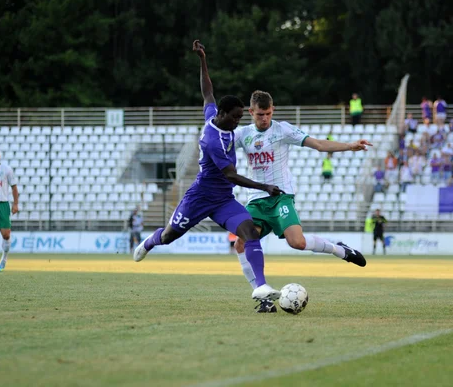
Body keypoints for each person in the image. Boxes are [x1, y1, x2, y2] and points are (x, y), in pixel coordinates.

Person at [134, 40, 284, 307]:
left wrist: (202, 59)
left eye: (240, 117)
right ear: (225, 114)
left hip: (223, 200)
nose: (239, 122)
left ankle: (261, 287)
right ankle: (149, 241)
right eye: (236, 117)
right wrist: (265, 187)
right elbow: (232, 175)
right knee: (169, 236)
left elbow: (207, 93)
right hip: (201, 196)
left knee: (250, 231)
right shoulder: (213, 141)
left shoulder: (214, 116)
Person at [233, 89, 370, 309]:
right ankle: (263, 297)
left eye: (268, 113)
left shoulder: (282, 130)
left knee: (297, 242)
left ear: (273, 110)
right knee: (241, 244)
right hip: (256, 199)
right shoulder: (243, 134)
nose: (265, 118)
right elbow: (220, 145)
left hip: (280, 196)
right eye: (260, 114)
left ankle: (341, 250)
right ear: (251, 112)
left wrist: (350, 146)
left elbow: (319, 144)